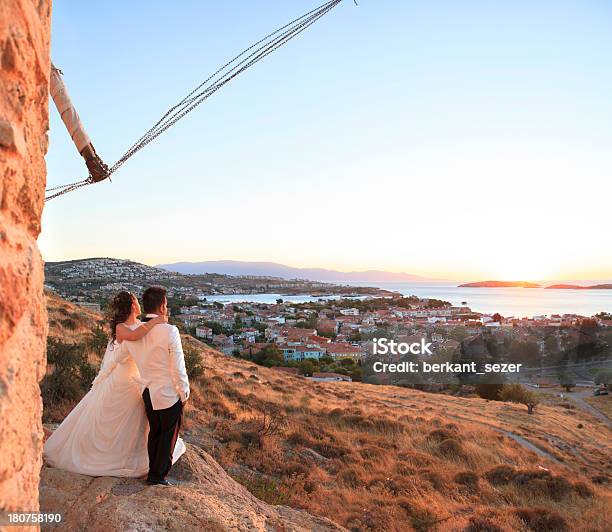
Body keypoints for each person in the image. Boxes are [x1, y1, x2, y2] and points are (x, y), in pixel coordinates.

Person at [43, 291, 186, 477]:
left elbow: (125, 350)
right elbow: (134, 339)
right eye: (135, 301)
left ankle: (147, 464)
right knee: (125, 423)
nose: (138, 304)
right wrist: (157, 322)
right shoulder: (132, 329)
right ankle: (146, 469)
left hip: (140, 383)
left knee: (143, 426)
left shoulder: (139, 327)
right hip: (128, 380)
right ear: (133, 306)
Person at [122, 286, 190, 486]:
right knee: (167, 434)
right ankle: (158, 476)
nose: (167, 308)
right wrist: (184, 392)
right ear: (162, 307)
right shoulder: (170, 331)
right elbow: (178, 366)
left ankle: (154, 472)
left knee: (154, 432)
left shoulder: (134, 330)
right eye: (166, 305)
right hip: (167, 391)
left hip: (146, 390)